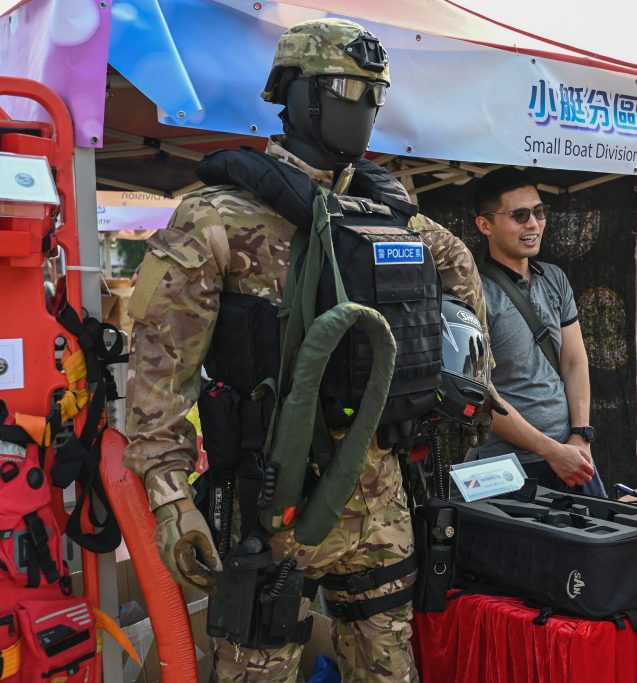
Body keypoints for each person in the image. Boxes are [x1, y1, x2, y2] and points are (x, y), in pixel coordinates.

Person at [124, 19, 489, 682]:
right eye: (346, 88)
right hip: (272, 496)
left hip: (379, 492)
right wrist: (170, 498)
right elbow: (158, 373)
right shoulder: (217, 217)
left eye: (374, 92)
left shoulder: (390, 214)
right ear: (293, 95)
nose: (364, 107)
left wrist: (459, 377)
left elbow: (460, 273)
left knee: (389, 667)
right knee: (257, 666)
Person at [467, 167, 597, 492]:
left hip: (571, 453)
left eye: (539, 212)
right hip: (503, 467)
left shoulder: (554, 278)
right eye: (519, 214)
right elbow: (478, 394)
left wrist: (580, 435)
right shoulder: (472, 293)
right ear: (485, 224)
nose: (533, 224)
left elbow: (574, 360)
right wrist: (550, 450)